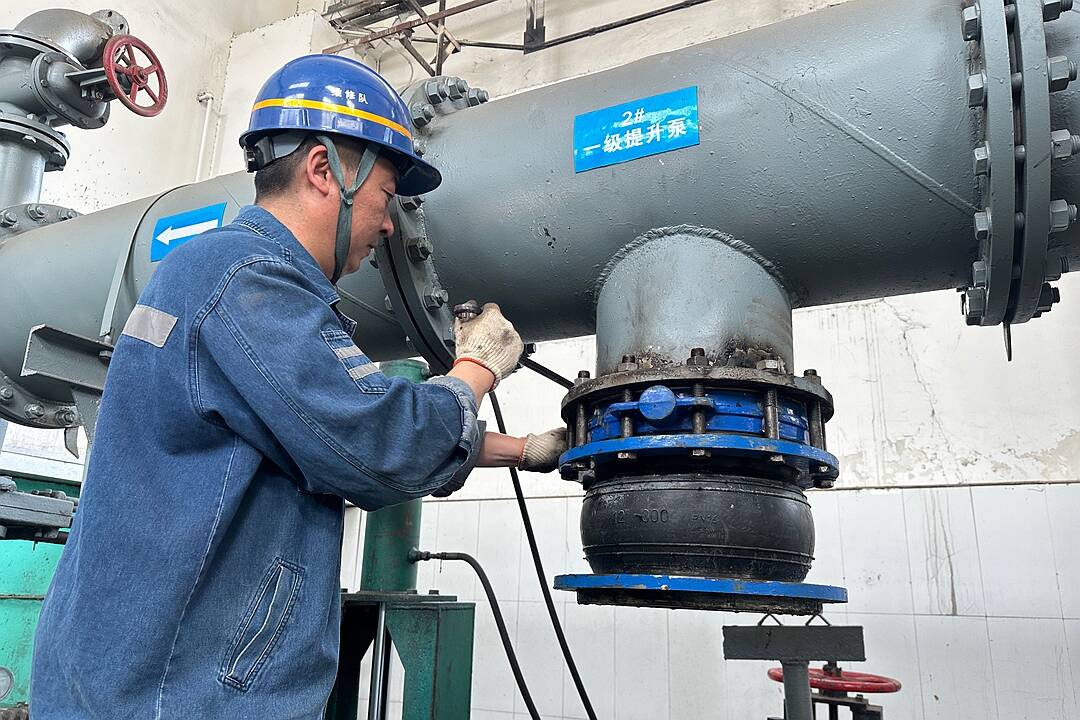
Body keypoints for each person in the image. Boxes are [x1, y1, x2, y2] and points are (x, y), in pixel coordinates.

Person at [31, 54, 567, 719]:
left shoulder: (215, 273)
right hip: (181, 692)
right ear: (323, 170)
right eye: (386, 195)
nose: (390, 224)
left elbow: (325, 423)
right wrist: (477, 368)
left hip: (139, 679)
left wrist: (525, 449)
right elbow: (375, 443)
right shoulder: (248, 279)